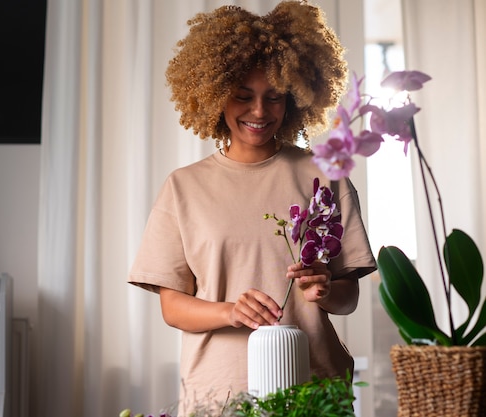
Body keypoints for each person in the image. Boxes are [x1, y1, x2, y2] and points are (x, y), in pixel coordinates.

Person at [128, 1, 377, 415]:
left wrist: (325, 288)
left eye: (274, 97)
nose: (259, 112)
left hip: (313, 389)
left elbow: (348, 297)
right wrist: (231, 311)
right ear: (214, 94)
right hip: (220, 392)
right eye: (243, 96)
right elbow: (172, 307)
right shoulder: (183, 187)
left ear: (296, 98)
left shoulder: (325, 177)